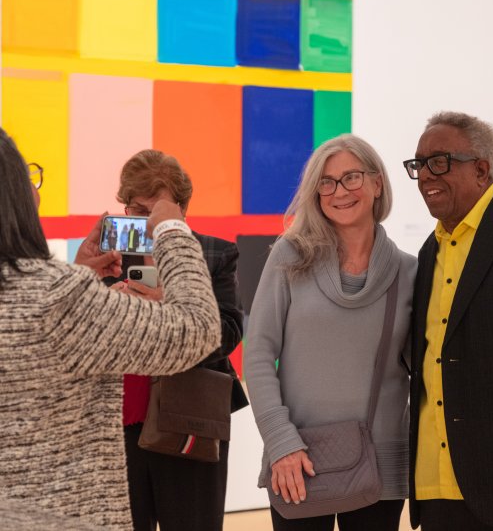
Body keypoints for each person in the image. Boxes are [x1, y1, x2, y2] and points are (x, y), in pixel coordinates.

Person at [0, 127, 222, 530]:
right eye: (28, 175)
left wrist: (77, 276)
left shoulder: (57, 293)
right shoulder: (59, 296)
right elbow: (197, 329)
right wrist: (172, 233)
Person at [244, 134, 416, 531]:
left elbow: (422, 369)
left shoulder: (410, 271)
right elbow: (258, 355)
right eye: (327, 182)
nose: (340, 191)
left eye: (351, 177)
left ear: (377, 183)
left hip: (380, 464)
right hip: (297, 460)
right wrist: (280, 442)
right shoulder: (290, 257)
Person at [403, 111, 493, 531]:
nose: (426, 175)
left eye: (439, 161)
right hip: (436, 489)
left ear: (482, 169)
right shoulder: (429, 252)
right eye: (418, 164)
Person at [107, 149, 247, 531]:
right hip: (118, 421)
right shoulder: (108, 254)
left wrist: (174, 302)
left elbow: (228, 333)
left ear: (181, 210)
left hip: (190, 415)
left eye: (158, 212)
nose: (148, 223)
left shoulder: (214, 252)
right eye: (138, 210)